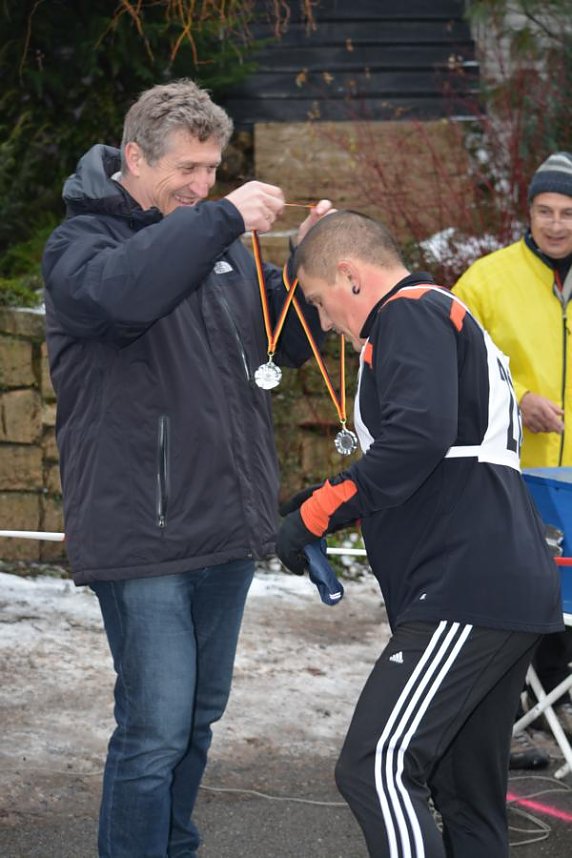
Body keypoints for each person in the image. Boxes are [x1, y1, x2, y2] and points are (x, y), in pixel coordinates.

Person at [42, 78, 332, 858]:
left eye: (214, 172)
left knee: (195, 723)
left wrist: (316, 267)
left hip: (224, 532)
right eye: (189, 170)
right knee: (153, 733)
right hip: (144, 539)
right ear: (134, 158)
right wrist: (219, 220)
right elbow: (128, 294)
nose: (204, 186)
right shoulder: (82, 249)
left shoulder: (218, 251)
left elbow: (282, 345)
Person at [276, 210, 563, 858]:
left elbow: (415, 439)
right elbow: (428, 444)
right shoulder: (437, 314)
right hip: (496, 585)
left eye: (321, 304)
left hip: (465, 586)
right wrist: (328, 498)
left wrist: (318, 512)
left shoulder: (407, 312)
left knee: (375, 766)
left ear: (350, 277)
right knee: (467, 801)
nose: (325, 325)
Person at [454, 151, 572, 769]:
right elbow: (450, 364)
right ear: (526, 212)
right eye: (544, 211)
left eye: (568, 214)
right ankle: (508, 721)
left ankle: (560, 707)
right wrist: (517, 397)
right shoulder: (486, 279)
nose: (555, 225)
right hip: (511, 476)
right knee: (514, 604)